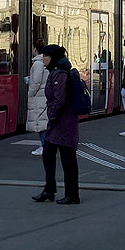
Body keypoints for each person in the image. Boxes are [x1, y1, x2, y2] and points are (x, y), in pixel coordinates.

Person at [31, 44, 79, 205]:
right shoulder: (55, 72)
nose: (43, 58)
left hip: (63, 122)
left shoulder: (59, 74)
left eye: (46, 56)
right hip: (59, 122)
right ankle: (49, 189)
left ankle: (72, 194)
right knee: (48, 154)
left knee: (68, 159)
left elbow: (60, 100)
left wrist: (51, 117)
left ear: (53, 58)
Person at [26, 46, 49, 157]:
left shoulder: (38, 64)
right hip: (43, 96)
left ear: (35, 49)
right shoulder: (44, 63)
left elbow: (36, 82)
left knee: (40, 123)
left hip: (38, 97)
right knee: (43, 121)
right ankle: (45, 146)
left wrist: (30, 94)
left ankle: (44, 146)